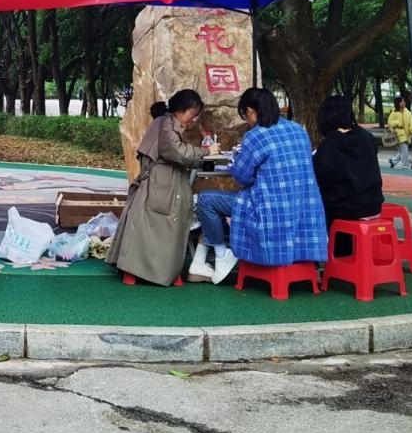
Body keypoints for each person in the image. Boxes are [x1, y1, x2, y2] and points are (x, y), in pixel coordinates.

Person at [191, 88, 327, 284]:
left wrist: (236, 161)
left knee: (206, 200)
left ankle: (221, 254)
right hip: (303, 210)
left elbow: (241, 177)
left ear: (250, 111)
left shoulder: (256, 136)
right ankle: (202, 263)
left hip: (269, 211)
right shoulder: (298, 130)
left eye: (245, 116)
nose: (247, 122)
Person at [105, 89, 206, 287]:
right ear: (179, 110)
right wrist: (204, 151)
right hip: (159, 183)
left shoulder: (167, 124)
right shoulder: (165, 124)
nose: (193, 120)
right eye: (192, 114)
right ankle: (132, 270)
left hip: (166, 184)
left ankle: (168, 272)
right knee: (147, 229)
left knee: (164, 230)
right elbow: (178, 152)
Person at [312, 95, 384, 228]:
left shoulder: (329, 146)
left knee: (316, 202)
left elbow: (319, 178)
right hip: (375, 205)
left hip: (346, 209)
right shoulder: (368, 137)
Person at [387, 96, 412, 169]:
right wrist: (398, 123)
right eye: (401, 101)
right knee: (404, 151)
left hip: (407, 134)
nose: (403, 103)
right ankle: (405, 166)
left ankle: (393, 161)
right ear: (397, 103)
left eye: (404, 101)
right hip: (398, 135)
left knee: (402, 151)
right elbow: (390, 123)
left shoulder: (408, 112)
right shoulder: (394, 112)